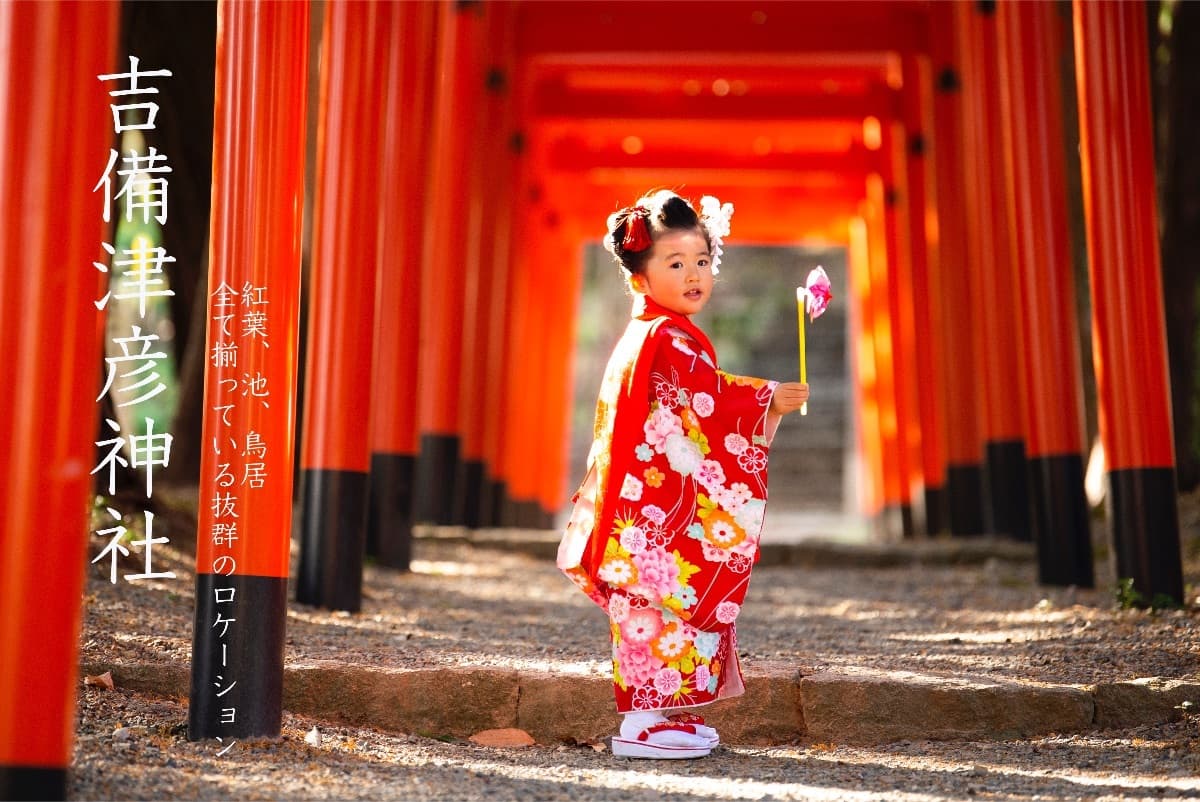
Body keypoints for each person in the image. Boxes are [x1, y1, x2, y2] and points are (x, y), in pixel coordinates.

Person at [558, 189, 808, 759]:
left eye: (701, 261)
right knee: (649, 612)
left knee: (653, 615)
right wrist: (770, 398)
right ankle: (639, 724)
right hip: (649, 512)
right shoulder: (664, 337)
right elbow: (707, 401)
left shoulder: (654, 333)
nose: (694, 274)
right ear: (640, 279)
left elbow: (694, 405)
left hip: (640, 503)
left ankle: (652, 716)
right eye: (675, 264)